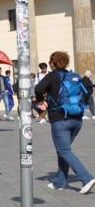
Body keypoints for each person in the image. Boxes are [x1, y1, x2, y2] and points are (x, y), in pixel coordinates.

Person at [34, 52, 95, 194]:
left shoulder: (51, 76)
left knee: (64, 151)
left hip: (60, 119)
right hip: (77, 119)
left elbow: (38, 89)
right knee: (62, 150)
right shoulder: (74, 76)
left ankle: (86, 178)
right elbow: (86, 93)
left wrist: (41, 101)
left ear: (53, 63)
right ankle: (60, 182)